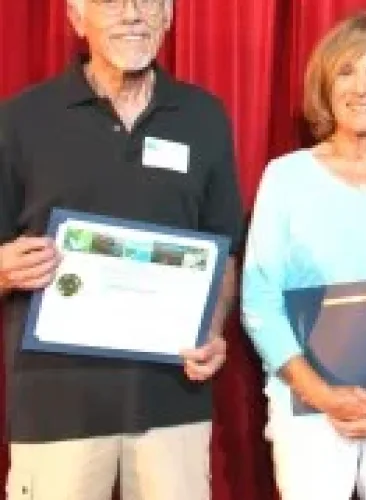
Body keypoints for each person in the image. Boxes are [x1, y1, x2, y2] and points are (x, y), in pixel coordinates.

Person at [0, 0, 242, 498]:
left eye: (149, 1)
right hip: (57, 406)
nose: (133, 14)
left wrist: (212, 327)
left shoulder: (204, 116)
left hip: (172, 399)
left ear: (170, 15)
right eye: (111, 1)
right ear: (75, 17)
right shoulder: (21, 119)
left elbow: (223, 247)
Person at [239, 11, 366, 499]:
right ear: (326, 87)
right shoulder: (286, 177)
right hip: (307, 397)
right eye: (347, 72)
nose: (363, 88)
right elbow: (260, 297)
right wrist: (320, 393)